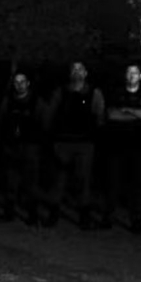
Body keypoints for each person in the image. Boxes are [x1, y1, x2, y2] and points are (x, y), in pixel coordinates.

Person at [43, 61, 105, 230]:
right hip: (63, 142)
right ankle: (53, 213)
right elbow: (49, 114)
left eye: (80, 69)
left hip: (84, 143)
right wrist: (52, 139)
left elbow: (99, 117)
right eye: (74, 69)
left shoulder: (94, 93)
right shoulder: (61, 92)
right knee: (58, 179)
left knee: (83, 180)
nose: (77, 72)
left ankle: (84, 215)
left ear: (86, 73)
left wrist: (95, 138)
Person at [99, 63, 141, 233]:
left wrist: (128, 111)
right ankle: (108, 217)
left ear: (140, 76)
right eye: (129, 72)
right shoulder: (116, 93)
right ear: (125, 76)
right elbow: (112, 114)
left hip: (139, 147)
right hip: (116, 146)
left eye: (135, 73)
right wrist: (139, 114)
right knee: (112, 183)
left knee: (137, 185)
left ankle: (136, 221)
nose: (132, 75)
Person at [0, 72, 47, 225]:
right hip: (11, 146)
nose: (19, 85)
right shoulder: (8, 101)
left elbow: (44, 122)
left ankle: (32, 214)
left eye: (22, 81)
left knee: (31, 182)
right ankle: (9, 212)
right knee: (11, 181)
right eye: (16, 82)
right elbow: (0, 121)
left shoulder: (36, 101)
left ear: (28, 83)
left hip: (30, 146)